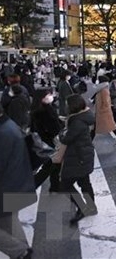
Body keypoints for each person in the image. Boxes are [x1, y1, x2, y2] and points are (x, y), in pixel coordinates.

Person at [0, 103, 35, 259]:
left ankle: (21, 252)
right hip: (15, 183)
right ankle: (23, 252)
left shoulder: (4, 133)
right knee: (8, 221)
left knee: (8, 220)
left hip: (6, 186)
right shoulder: (8, 125)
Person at [60, 94, 98, 225]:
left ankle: (82, 207)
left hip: (78, 156)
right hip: (83, 154)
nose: (65, 106)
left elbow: (66, 138)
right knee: (84, 182)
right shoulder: (84, 116)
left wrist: (62, 131)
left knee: (66, 183)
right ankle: (91, 207)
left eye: (67, 104)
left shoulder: (76, 122)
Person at [30, 88, 64, 191]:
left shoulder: (40, 108)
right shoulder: (43, 111)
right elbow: (53, 128)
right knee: (50, 165)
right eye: (48, 95)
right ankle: (33, 185)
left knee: (55, 163)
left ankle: (55, 186)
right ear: (41, 98)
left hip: (47, 141)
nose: (51, 97)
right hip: (50, 142)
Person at [92, 76, 116, 145]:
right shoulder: (101, 89)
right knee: (111, 126)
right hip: (102, 112)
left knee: (96, 128)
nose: (97, 81)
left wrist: (102, 110)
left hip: (103, 112)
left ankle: (88, 142)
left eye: (98, 80)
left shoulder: (104, 90)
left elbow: (106, 102)